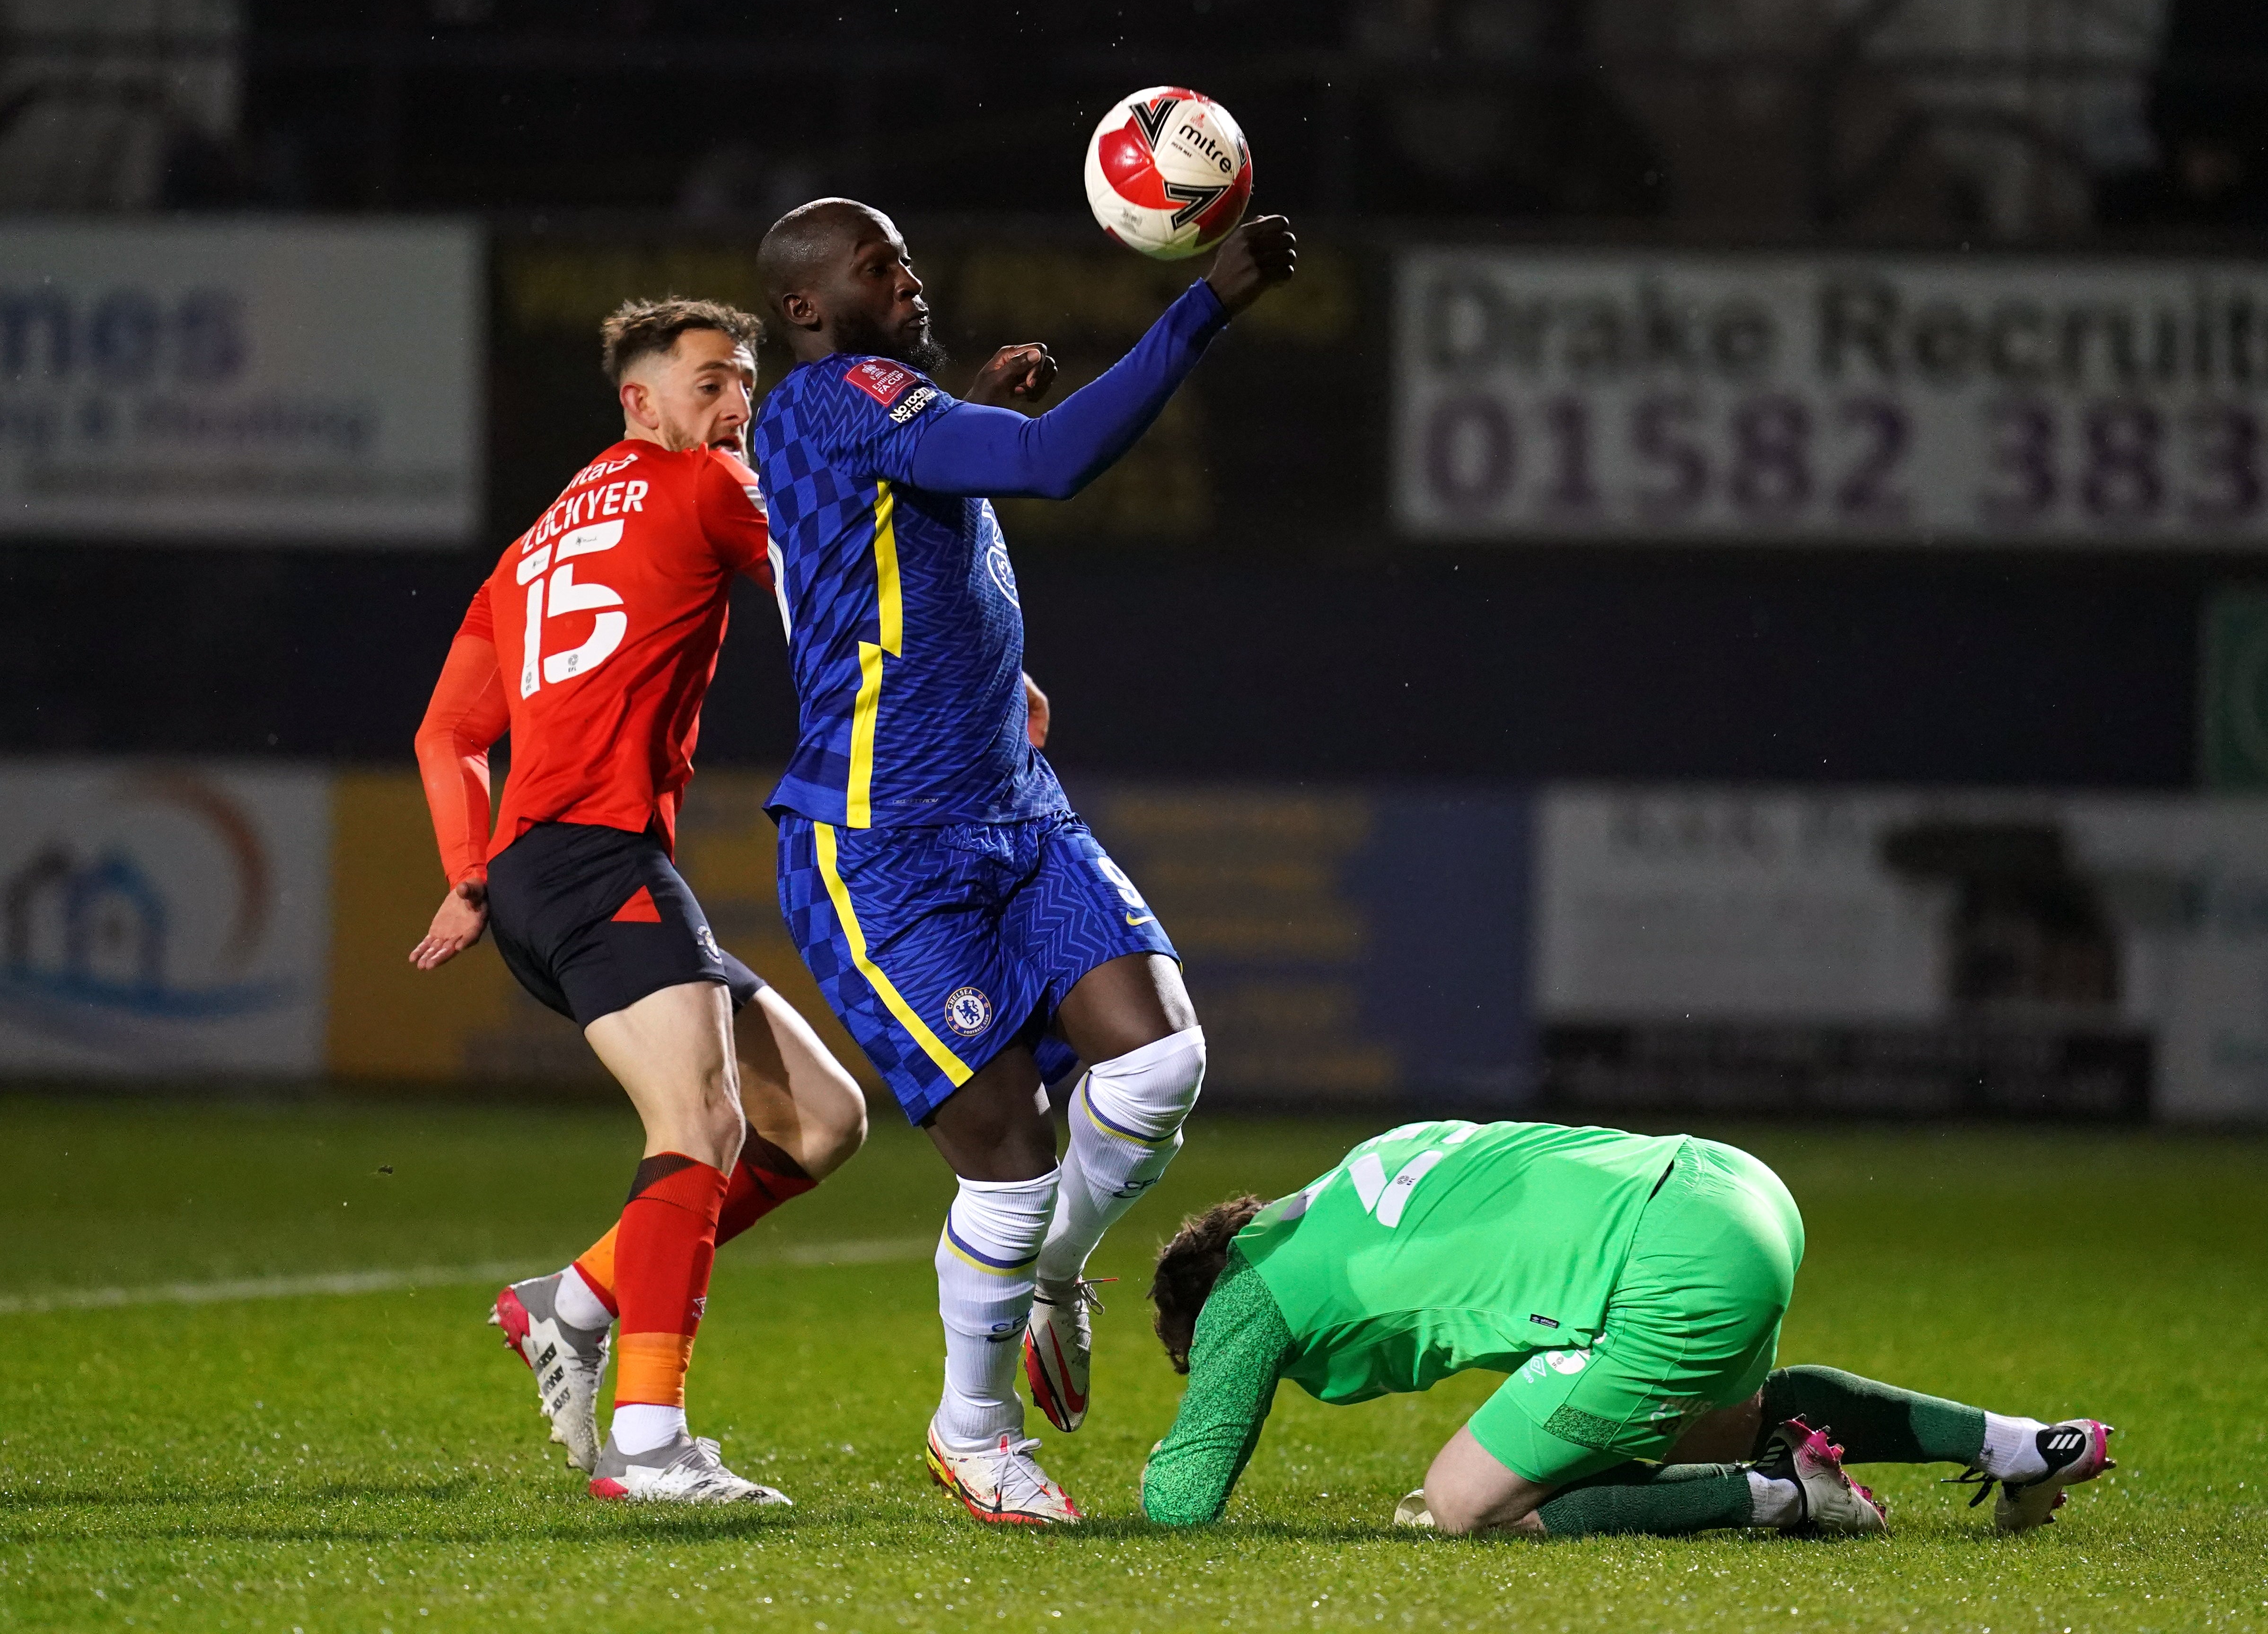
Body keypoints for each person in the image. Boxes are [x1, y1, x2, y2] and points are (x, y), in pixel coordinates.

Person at [750, 196, 1296, 1524]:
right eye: (881, 266)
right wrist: (1203, 304)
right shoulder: (836, 398)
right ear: (810, 309)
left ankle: (1053, 1272)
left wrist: (970, 403)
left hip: (1014, 807)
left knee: (1161, 1058)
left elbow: (912, 544)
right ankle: (974, 1429)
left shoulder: (881, 412)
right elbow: (1052, 462)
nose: (912, 275)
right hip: (882, 845)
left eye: (910, 252)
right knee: (1007, 1151)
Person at [409, 297, 867, 1503]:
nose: (737, 406)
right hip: (594, 859)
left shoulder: (532, 547)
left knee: (818, 1118)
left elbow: (449, 731)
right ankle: (650, 1443)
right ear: (640, 401)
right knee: (700, 1123)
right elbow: (832, 582)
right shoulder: (705, 486)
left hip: (544, 870)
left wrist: (472, 870)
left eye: (746, 383)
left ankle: (571, 1301)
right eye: (712, 382)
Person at [1142, 1119, 2115, 1538]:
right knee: (1718, 1418)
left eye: (1201, 1356)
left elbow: (1182, 1498)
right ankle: (2024, 1443)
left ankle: (1783, 1496)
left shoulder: (1247, 1289)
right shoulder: (1360, 1171)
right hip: (1735, 1187)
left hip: (1673, 1267)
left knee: (1459, 1500)